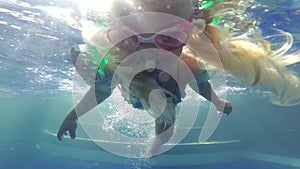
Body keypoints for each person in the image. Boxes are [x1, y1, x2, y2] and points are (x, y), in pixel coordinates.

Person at [57, 0, 300, 155]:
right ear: (113, 30)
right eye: (129, 36)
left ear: (191, 35)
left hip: (167, 98)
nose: (148, 50)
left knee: (165, 131)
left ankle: (155, 147)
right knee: (103, 76)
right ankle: (85, 61)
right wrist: (72, 117)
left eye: (169, 37)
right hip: (130, 86)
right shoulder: (116, 63)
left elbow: (202, 85)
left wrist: (218, 102)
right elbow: (102, 91)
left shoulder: (186, 64)